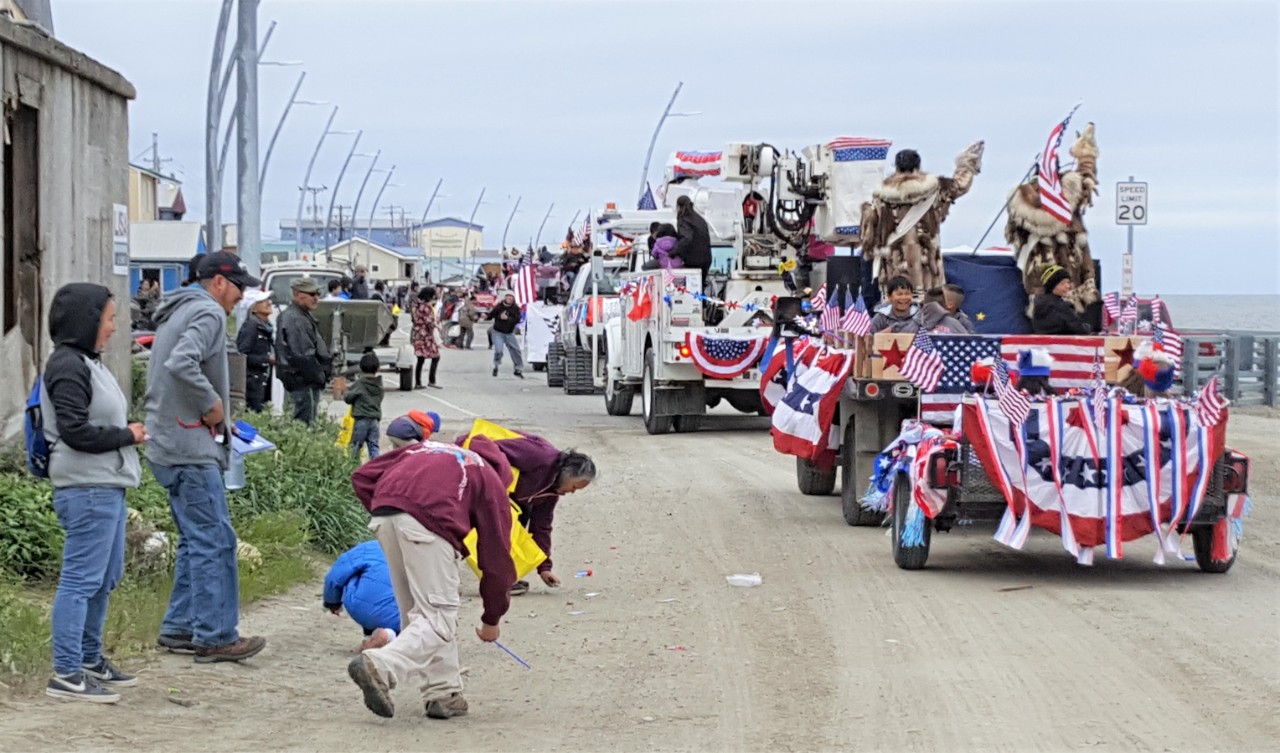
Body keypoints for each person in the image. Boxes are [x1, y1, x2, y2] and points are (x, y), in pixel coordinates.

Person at [145, 251, 267, 663]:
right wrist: (213, 405)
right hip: (189, 446)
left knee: (195, 541)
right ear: (219, 282)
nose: (240, 297)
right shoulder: (209, 314)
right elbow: (184, 364)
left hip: (169, 440)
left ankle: (180, 626)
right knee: (216, 540)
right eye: (239, 288)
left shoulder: (175, 310)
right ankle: (216, 635)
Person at [346, 435, 517, 721]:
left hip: (386, 517)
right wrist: (492, 618)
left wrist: (390, 511)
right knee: (438, 617)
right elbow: (497, 561)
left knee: (420, 614)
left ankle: (443, 692)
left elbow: (363, 476)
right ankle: (380, 665)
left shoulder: (425, 448)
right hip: (429, 527)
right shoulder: (488, 477)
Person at [41, 284, 146, 703]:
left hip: (108, 485)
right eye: (108, 318)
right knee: (80, 581)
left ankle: (88, 658)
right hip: (85, 488)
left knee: (105, 578)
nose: (113, 327)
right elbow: (75, 431)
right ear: (86, 321)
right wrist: (127, 435)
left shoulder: (90, 361)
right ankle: (66, 672)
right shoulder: (67, 365)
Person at [485, 435, 597, 597]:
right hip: (476, 479)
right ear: (567, 475)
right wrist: (497, 484)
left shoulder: (551, 492)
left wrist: (544, 568)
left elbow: (541, 527)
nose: (571, 492)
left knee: (515, 528)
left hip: (512, 501)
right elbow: (487, 447)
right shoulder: (539, 455)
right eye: (573, 487)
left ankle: (501, 577)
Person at [324, 540, 401, 651]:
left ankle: (372, 637)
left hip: (362, 608)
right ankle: (390, 636)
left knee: (357, 576)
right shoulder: (424, 552)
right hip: (402, 615)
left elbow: (335, 576)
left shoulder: (370, 547)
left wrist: (332, 602)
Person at [276, 277, 333, 424]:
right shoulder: (296, 319)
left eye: (317, 294)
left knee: (304, 423)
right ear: (297, 294)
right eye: (311, 294)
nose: (316, 298)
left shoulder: (299, 315)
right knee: (303, 426)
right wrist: (320, 375)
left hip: (302, 380)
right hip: (302, 381)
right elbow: (303, 355)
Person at [235, 291, 274, 413]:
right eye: (263, 301)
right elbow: (242, 355)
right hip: (252, 384)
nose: (269, 303)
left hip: (263, 382)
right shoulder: (251, 327)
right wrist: (266, 360)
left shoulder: (267, 327)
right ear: (253, 308)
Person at [341, 353, 385, 460]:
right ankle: (376, 467)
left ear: (361, 368)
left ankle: (352, 467)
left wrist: (345, 393)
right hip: (374, 421)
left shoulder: (359, 384)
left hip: (361, 420)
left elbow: (348, 398)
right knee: (373, 446)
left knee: (355, 446)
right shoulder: (379, 385)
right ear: (377, 368)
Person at [1030, 265, 1092, 335]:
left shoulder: (1037, 305)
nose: (1067, 286)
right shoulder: (1063, 307)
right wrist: (1088, 327)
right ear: (1052, 285)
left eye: (1068, 282)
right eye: (1062, 283)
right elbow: (1079, 329)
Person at [671, 195, 712, 285]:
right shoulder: (700, 219)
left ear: (678, 206)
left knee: (690, 289)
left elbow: (687, 238)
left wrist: (674, 252)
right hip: (706, 259)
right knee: (699, 288)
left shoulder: (683, 218)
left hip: (693, 260)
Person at [487, 290, 524, 379]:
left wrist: (508, 319)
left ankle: (518, 369)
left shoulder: (515, 308)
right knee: (499, 350)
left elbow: (518, 320)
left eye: (511, 297)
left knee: (516, 351)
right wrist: (486, 316)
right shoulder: (499, 307)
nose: (509, 298)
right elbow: (491, 315)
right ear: (505, 298)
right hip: (498, 332)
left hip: (509, 333)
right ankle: (496, 365)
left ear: (513, 299)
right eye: (507, 296)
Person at [411, 286, 443, 389]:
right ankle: (431, 380)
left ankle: (418, 382)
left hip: (417, 334)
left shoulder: (415, 305)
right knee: (436, 356)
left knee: (420, 359)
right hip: (426, 335)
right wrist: (437, 326)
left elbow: (414, 319)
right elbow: (429, 321)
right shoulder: (427, 307)